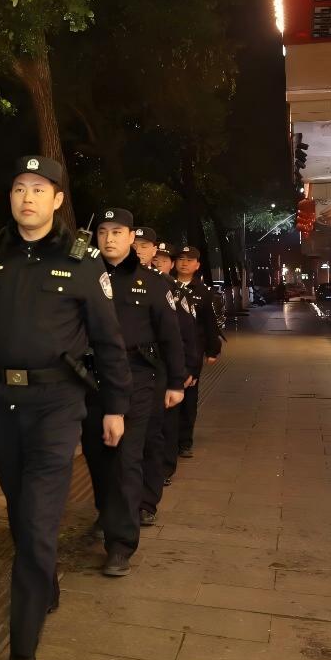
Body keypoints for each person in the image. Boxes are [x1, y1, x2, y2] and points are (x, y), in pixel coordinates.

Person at [0, 156, 131, 660]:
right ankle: (46, 583)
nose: (28, 198)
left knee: (38, 519)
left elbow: (109, 342)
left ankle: (22, 648)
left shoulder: (82, 262)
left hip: (56, 405)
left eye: (39, 189)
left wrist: (115, 407)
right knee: (21, 510)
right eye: (20, 188)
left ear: (58, 200)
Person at [83, 212, 185, 574]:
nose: (109, 239)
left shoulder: (152, 282)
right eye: (103, 232)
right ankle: (107, 512)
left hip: (136, 377)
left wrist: (176, 381)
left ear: (130, 238)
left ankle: (121, 544)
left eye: (117, 232)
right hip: (90, 377)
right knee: (96, 454)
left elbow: (170, 335)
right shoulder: (83, 276)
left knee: (126, 457)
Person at [151, 242, 200, 488]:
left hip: (167, 364)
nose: (158, 263)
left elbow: (187, 334)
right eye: (156, 258)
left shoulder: (176, 291)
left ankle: (165, 467)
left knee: (168, 421)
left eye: (163, 259)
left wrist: (189, 368)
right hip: (142, 366)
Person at [174, 246, 223, 460]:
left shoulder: (203, 291)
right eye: (181, 259)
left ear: (197, 265)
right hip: (169, 349)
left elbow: (210, 324)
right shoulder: (166, 285)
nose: (184, 263)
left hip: (193, 351)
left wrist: (213, 350)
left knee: (188, 394)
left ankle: (185, 441)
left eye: (189, 260)